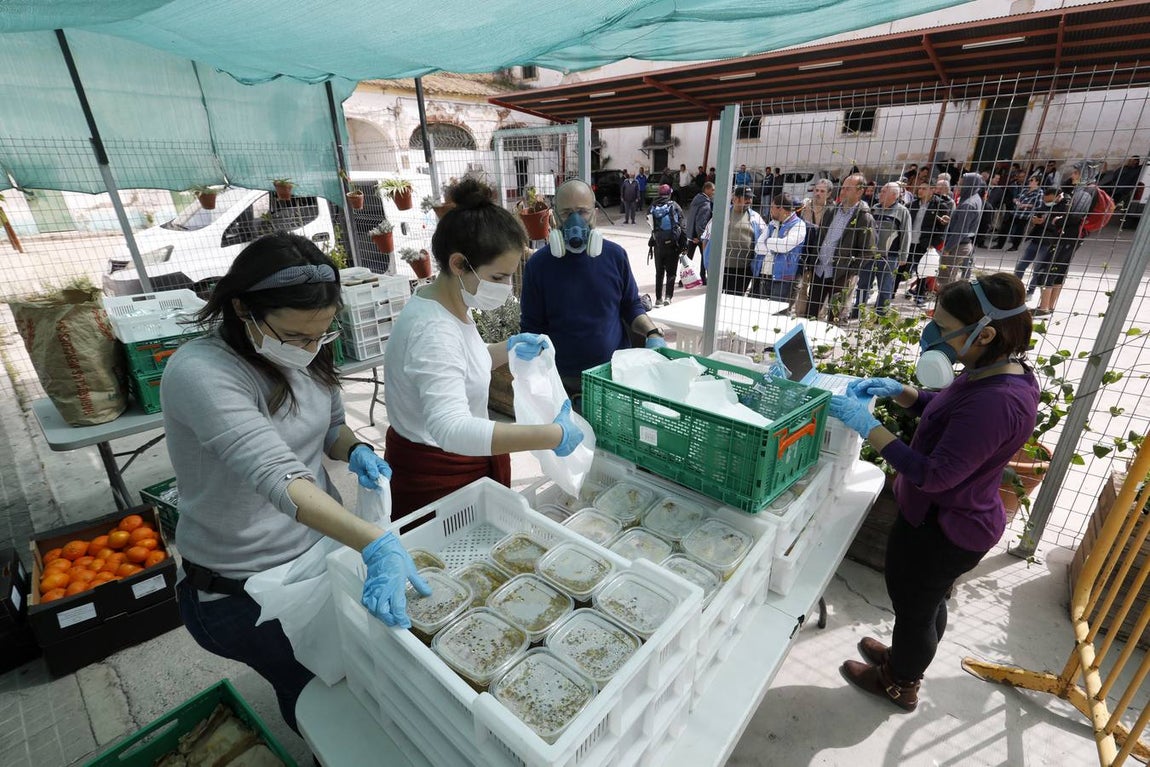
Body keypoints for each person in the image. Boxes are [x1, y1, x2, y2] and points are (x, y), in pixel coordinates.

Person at [161, 232, 430, 734]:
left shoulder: (306, 353)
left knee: (346, 671)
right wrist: (376, 542)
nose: (310, 348)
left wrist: (357, 449)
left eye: (322, 335)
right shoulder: (201, 373)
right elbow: (277, 476)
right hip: (240, 588)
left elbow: (329, 427)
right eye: (296, 336)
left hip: (314, 557)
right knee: (316, 694)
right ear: (242, 308)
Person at [828, 274, 1039, 712]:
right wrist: (903, 393)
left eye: (942, 328)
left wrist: (868, 427)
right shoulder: (990, 370)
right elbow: (949, 414)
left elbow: (933, 475)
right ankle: (903, 656)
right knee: (923, 602)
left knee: (916, 609)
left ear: (985, 334)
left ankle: (900, 682)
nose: (931, 335)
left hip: (946, 528)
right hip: (944, 518)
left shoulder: (997, 401)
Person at [383, 179, 583, 517]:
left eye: (509, 277)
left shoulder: (449, 303)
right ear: (459, 264)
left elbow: (460, 365)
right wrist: (551, 434)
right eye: (497, 278)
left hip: (458, 464)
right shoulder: (432, 330)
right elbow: (452, 429)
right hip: (437, 479)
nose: (506, 288)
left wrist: (508, 348)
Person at [520, 179, 666, 407]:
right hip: (564, 385)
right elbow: (531, 328)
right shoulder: (538, 266)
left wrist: (653, 333)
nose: (575, 221)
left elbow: (631, 307)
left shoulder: (615, 256)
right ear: (554, 218)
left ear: (595, 215)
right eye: (567, 213)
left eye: (582, 212)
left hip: (615, 376)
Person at [803, 173, 878, 322]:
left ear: (859, 191)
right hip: (820, 270)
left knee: (834, 318)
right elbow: (820, 238)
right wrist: (812, 260)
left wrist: (850, 271)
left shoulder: (864, 217)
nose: (842, 191)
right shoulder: (831, 210)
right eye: (842, 187)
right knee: (810, 314)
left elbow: (868, 251)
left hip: (841, 275)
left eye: (848, 189)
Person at [701, 185, 767, 297]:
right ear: (735, 199)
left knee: (735, 300)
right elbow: (706, 239)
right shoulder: (721, 215)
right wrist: (708, 262)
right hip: (721, 268)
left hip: (743, 270)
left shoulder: (755, 217)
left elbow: (765, 238)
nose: (749, 201)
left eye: (750, 198)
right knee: (716, 298)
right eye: (746, 198)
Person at [856, 181, 910, 316]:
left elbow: (906, 235)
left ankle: (881, 313)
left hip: (889, 257)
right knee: (863, 284)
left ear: (894, 195)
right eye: (881, 191)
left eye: (884, 192)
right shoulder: (874, 208)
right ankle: (858, 310)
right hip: (869, 255)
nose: (880, 194)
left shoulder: (902, 212)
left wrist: (903, 257)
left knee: (885, 287)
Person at [752, 192, 806, 304]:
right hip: (764, 275)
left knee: (777, 314)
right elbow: (758, 247)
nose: (770, 210)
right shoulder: (772, 224)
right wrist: (774, 246)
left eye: (772, 207)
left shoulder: (799, 225)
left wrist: (767, 242)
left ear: (780, 209)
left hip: (783, 279)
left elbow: (784, 246)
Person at [937, 172, 985, 288]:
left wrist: (947, 249)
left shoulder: (968, 204)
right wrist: (952, 220)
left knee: (945, 280)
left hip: (957, 245)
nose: (958, 185)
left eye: (961, 183)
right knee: (951, 277)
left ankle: (944, 303)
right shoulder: (974, 198)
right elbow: (964, 224)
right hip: (962, 243)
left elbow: (960, 231)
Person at [648, 184, 686, 306]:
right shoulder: (674, 206)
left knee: (659, 273)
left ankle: (658, 299)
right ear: (669, 193)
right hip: (672, 245)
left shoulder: (652, 207)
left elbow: (651, 226)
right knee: (671, 273)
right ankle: (668, 297)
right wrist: (684, 245)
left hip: (658, 245)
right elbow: (683, 226)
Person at [684, 181, 715, 282]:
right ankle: (703, 277)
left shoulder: (696, 199)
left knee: (689, 257)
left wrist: (691, 235)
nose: (714, 192)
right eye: (712, 190)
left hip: (691, 234)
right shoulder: (705, 204)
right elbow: (701, 222)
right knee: (705, 255)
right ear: (706, 189)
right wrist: (701, 237)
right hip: (699, 236)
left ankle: (684, 278)